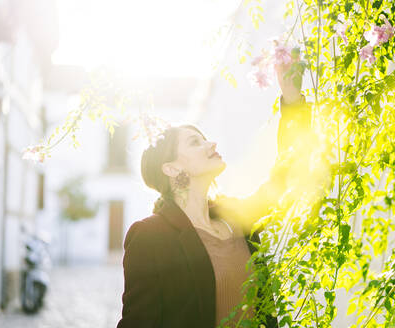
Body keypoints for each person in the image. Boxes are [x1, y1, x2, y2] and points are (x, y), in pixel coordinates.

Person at [117, 57, 313, 328]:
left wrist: (292, 100)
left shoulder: (236, 218)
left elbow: (287, 174)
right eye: (195, 142)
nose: (212, 144)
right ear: (171, 168)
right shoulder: (151, 236)